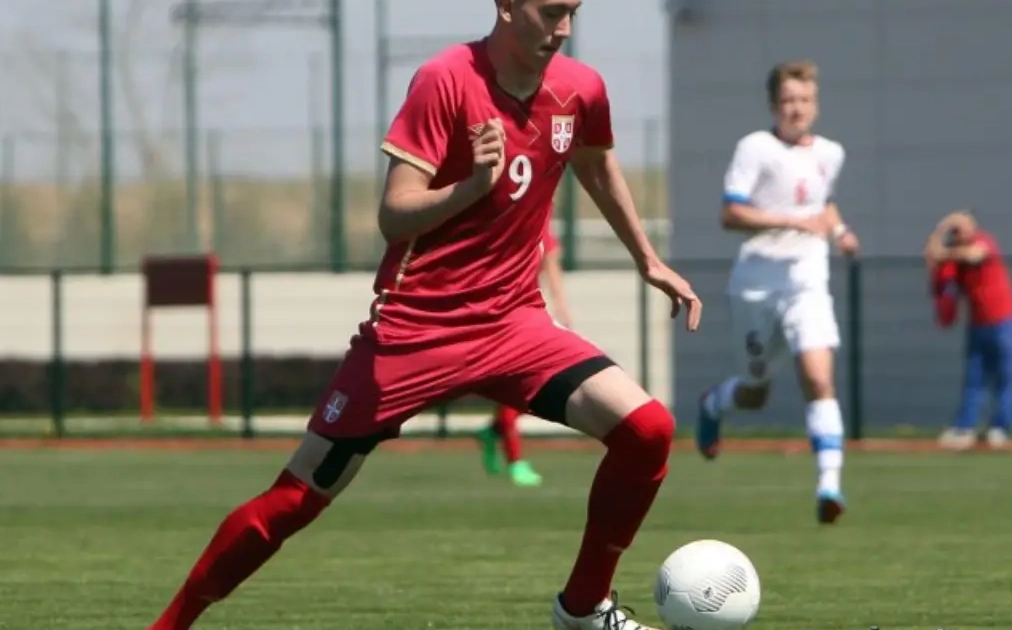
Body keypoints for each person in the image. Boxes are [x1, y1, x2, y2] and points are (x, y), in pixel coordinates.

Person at [147, 1, 702, 629]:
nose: (564, 28)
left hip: (514, 323)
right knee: (297, 498)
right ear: (506, 5)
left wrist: (647, 259)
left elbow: (595, 163)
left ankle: (582, 610)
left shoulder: (581, 89)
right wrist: (472, 187)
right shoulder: (446, 80)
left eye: (573, 11)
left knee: (647, 429)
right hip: (416, 330)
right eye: (550, 12)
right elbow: (395, 215)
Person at [693, 60, 859, 525]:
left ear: (816, 105)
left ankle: (829, 485)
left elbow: (823, 202)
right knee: (755, 393)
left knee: (819, 379)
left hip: (807, 282)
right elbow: (731, 213)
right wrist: (793, 221)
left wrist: (839, 231)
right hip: (756, 287)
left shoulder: (831, 153)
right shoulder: (756, 148)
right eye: (788, 100)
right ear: (773, 105)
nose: (796, 108)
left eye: (804, 100)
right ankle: (713, 403)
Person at [476, 221, 573, 487]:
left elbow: (552, 265)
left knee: (535, 387)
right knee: (518, 389)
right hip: (498, 319)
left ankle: (495, 432)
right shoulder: (503, 222)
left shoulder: (539, 224)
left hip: (525, 317)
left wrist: (560, 306)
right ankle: (514, 460)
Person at [924, 210, 1012, 450]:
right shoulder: (956, 261)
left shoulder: (984, 241)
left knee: (1004, 375)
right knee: (974, 378)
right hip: (977, 323)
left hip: (1002, 320)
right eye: (955, 232)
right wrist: (941, 228)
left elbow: (975, 254)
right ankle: (965, 428)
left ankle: (1000, 428)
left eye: (961, 229)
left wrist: (947, 249)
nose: (959, 235)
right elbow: (932, 256)